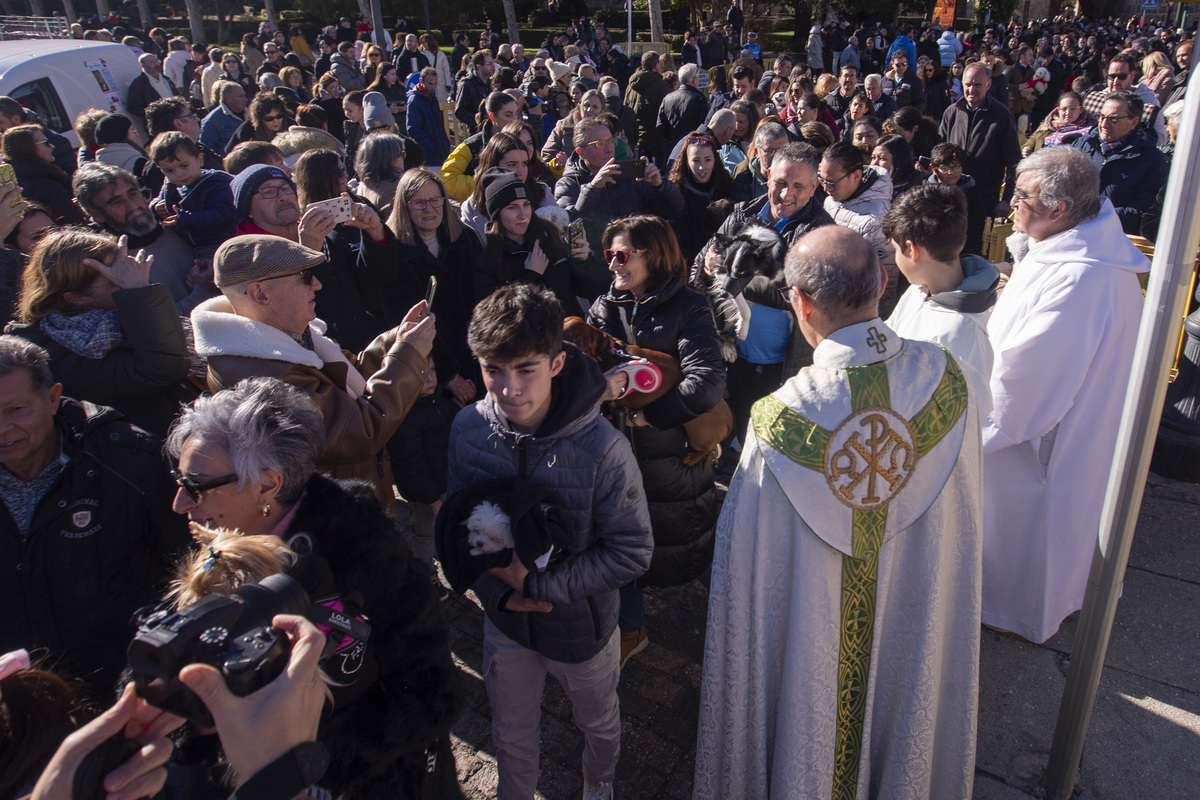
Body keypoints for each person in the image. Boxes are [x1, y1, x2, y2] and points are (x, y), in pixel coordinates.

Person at [694, 224, 983, 800]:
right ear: (882, 281)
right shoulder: (945, 379)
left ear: (799, 303)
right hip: (910, 607)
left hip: (812, 643)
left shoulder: (782, 417)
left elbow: (747, 567)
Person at [165, 377, 465, 798]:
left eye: (195, 485)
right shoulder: (214, 534)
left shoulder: (361, 544)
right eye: (179, 481)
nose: (179, 503)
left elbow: (432, 693)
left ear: (268, 485)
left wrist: (298, 768)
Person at [447, 282, 652, 800]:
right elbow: (456, 527)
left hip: (580, 631)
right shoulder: (468, 428)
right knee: (510, 734)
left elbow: (631, 550)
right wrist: (498, 596)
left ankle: (598, 784)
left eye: (525, 370)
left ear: (557, 364)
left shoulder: (602, 449)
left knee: (599, 724)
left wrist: (541, 584)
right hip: (506, 624)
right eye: (493, 369)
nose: (508, 389)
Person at [983, 146, 1149, 643]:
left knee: (1037, 539)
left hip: (1043, 442)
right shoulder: (1075, 249)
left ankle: (1022, 611)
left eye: (1023, 195)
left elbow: (1025, 390)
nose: (1012, 203)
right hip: (1071, 425)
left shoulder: (1080, 276)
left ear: (1057, 208)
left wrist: (962, 429)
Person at [0, 335, 188, 692]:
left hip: (129, 697)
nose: (2, 428)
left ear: (53, 398)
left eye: (15, 410)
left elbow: (190, 572)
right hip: (17, 717)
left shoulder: (133, 463)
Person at [190, 234, 433, 510]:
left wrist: (396, 343)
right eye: (305, 276)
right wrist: (408, 357)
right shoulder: (265, 376)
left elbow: (348, 381)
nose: (316, 284)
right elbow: (357, 432)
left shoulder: (283, 339)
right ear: (260, 293)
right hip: (335, 521)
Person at [589, 214, 725, 663]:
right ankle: (632, 629)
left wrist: (651, 415)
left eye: (621, 254)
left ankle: (733, 617)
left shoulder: (689, 305)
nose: (612, 265)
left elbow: (706, 382)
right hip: (614, 453)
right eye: (608, 254)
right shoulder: (606, 306)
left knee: (685, 542)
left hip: (669, 454)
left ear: (654, 254)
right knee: (617, 542)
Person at [4, 228, 196, 437]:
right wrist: (138, 291)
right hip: (141, 454)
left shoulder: (118, 315)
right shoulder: (46, 351)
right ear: (75, 298)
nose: (130, 278)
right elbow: (161, 371)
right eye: (115, 279)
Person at [228, 162, 395, 352]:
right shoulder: (245, 256)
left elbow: (377, 278)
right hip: (314, 360)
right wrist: (307, 252)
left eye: (285, 188)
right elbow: (287, 311)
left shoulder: (322, 232)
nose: (282, 197)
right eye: (268, 192)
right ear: (247, 209)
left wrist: (375, 234)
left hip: (362, 351)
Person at [883, 181, 998, 416]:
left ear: (912, 250)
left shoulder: (960, 331)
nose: (896, 257)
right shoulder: (918, 291)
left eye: (895, 249)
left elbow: (971, 419)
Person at [554, 117, 684, 299]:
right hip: (597, 279)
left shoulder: (627, 174)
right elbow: (570, 227)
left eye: (611, 141)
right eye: (600, 144)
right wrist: (592, 189)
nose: (609, 149)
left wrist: (660, 185)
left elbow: (673, 210)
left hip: (636, 270)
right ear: (581, 152)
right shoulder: (568, 184)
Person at [387, 168, 480, 406]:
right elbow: (413, 324)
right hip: (431, 371)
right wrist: (450, 376)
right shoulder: (395, 253)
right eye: (418, 202)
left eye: (435, 200)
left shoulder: (464, 238)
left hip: (478, 353)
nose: (429, 209)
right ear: (404, 206)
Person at [72, 162, 214, 312]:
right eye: (117, 202)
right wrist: (204, 291)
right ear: (97, 214)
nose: (133, 206)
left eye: (133, 194)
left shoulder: (175, 226)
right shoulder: (112, 267)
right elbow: (159, 323)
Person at [938, 61, 1020, 254]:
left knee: (973, 252)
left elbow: (1014, 160)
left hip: (984, 197)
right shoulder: (952, 112)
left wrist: (1006, 199)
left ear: (989, 85)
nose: (971, 89)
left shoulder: (1001, 116)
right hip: (951, 197)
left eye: (977, 85)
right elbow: (939, 150)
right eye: (968, 84)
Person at [475, 167, 583, 313]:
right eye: (512, 208)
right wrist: (532, 277)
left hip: (568, 333)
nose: (523, 215)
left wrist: (584, 263)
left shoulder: (551, 238)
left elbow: (585, 291)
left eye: (526, 205)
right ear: (496, 214)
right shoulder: (488, 263)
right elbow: (501, 319)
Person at [1070, 89, 1169, 235]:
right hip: (1070, 231)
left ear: (1134, 122)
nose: (1103, 124)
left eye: (1113, 119)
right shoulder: (1081, 145)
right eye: (1101, 116)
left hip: (1114, 239)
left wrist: (1093, 218)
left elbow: (1143, 211)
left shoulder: (1153, 160)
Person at [818, 141, 897, 312]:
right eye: (821, 180)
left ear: (856, 176)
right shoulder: (832, 200)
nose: (825, 189)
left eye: (831, 182)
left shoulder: (876, 221)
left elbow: (887, 283)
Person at [148, 131, 237, 260]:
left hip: (222, 243)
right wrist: (155, 207)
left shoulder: (216, 183)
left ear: (200, 160)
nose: (179, 174)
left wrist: (186, 219)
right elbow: (158, 199)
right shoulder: (172, 185)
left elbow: (223, 214)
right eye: (169, 170)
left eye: (184, 166)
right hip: (191, 246)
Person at [461, 132, 557, 242]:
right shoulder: (472, 207)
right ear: (493, 166)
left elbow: (558, 238)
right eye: (512, 164)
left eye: (524, 164)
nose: (520, 172)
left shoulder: (542, 193)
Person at [441, 91, 521, 201]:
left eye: (516, 113)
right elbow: (446, 178)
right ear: (493, 117)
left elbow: (541, 172)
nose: (514, 119)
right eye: (508, 115)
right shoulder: (471, 145)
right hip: (480, 210)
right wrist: (485, 183)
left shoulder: (523, 141)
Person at [668, 131, 733, 260]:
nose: (702, 167)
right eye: (696, 161)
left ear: (715, 159)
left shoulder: (726, 184)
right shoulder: (677, 192)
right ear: (687, 162)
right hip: (691, 262)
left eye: (707, 160)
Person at [0, 125, 79, 224]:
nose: (52, 146)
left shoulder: (12, 185)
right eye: (45, 143)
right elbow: (72, 225)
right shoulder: (50, 186)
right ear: (29, 149)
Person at [624, 51, 670, 165]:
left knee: (641, 173)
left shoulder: (631, 86)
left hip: (638, 136)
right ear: (656, 65)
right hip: (657, 137)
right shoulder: (662, 85)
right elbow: (667, 111)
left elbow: (626, 107)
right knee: (659, 173)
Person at [657, 63, 708, 155]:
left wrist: (671, 138)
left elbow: (660, 126)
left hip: (672, 147)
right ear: (694, 80)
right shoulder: (700, 98)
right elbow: (703, 126)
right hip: (692, 147)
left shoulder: (668, 98)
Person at [352, 131, 406, 218]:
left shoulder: (364, 184)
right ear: (389, 158)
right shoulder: (397, 189)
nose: (404, 159)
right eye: (402, 154)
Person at [407, 67, 452, 169]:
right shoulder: (415, 101)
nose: (433, 87)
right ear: (421, 81)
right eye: (430, 83)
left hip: (440, 152)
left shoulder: (432, 99)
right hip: (429, 157)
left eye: (435, 84)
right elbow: (414, 130)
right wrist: (432, 146)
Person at [200, 81, 248, 157]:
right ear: (228, 98)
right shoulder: (212, 121)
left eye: (245, 96)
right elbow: (206, 151)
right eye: (240, 96)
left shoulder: (249, 114)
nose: (245, 99)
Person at [126, 53, 177, 122]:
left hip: (175, 119)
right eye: (151, 62)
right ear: (143, 65)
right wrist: (155, 115)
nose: (156, 64)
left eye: (156, 61)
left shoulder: (166, 79)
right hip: (158, 123)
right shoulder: (138, 84)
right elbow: (134, 107)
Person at [456, 50, 496, 136]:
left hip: (492, 130)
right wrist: (478, 121)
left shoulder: (491, 83)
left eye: (492, 63)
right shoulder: (466, 84)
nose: (493, 66)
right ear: (479, 66)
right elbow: (460, 111)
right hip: (476, 133)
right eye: (489, 64)